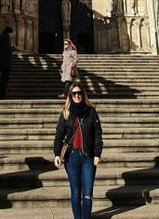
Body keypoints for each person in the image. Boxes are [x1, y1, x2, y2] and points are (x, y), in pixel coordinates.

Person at [53, 83, 103, 219]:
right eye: (74, 93)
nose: (77, 96)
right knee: (76, 192)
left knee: (87, 194)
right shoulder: (66, 112)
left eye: (79, 93)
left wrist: (97, 154)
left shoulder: (91, 111)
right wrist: (57, 154)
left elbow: (98, 134)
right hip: (71, 157)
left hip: (88, 156)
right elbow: (59, 134)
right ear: (70, 95)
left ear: (83, 94)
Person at [0, 26, 14, 99]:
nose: (12, 35)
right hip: (5, 62)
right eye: (11, 33)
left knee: (3, 78)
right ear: (9, 32)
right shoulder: (6, 37)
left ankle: (1, 94)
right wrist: (13, 48)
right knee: (5, 79)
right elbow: (8, 49)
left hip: (0, 61)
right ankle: (1, 94)